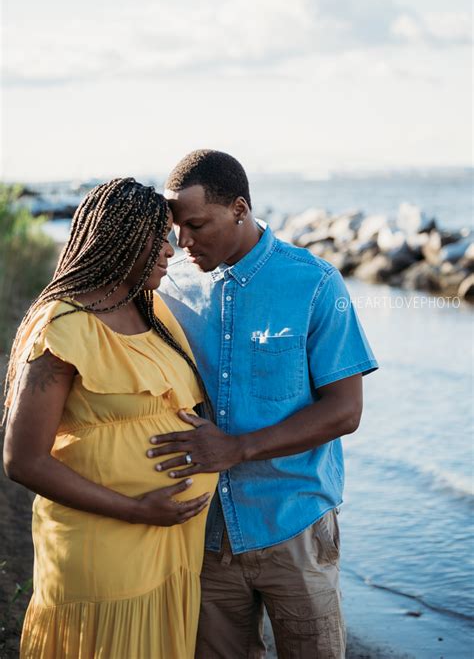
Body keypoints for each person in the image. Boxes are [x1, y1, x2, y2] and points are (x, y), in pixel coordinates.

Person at [151, 150, 379, 659]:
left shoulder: (316, 284)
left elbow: (346, 411)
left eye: (195, 224)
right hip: (203, 531)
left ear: (237, 208)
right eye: (175, 228)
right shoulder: (169, 286)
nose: (183, 241)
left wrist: (237, 448)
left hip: (293, 524)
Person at [3, 177, 218, 659]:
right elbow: (22, 460)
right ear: (119, 239)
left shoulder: (152, 312)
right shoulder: (62, 325)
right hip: (105, 547)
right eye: (158, 237)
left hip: (171, 549)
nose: (170, 251)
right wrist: (138, 511)